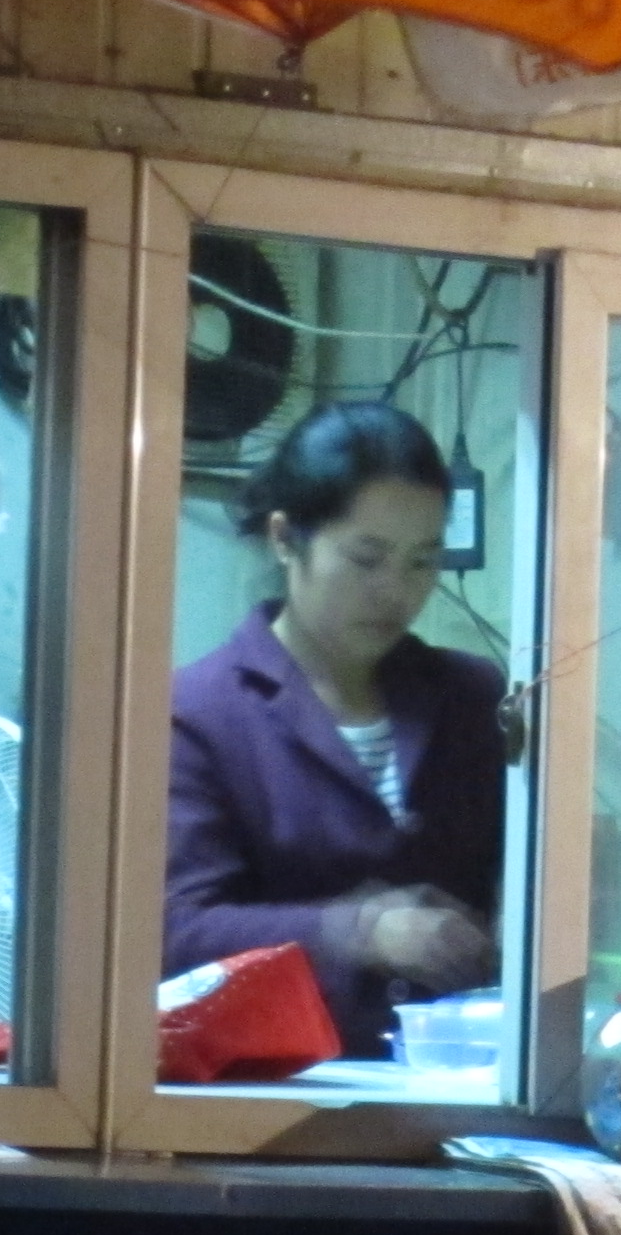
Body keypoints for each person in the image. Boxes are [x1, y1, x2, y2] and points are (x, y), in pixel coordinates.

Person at [164, 401, 503, 1058]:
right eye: (366, 558)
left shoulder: (471, 697)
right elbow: (174, 934)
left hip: (452, 1077)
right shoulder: (200, 712)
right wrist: (361, 931)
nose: (395, 591)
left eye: (422, 561)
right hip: (269, 1082)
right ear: (285, 538)